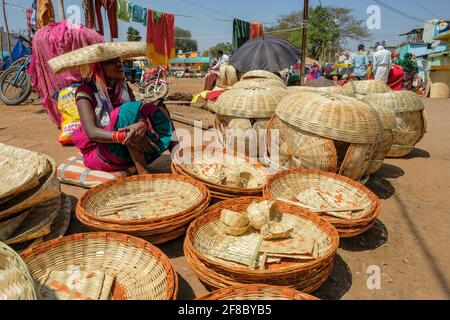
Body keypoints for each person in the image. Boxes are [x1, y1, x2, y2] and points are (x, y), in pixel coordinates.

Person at [73, 58, 177, 175]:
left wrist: (143, 124)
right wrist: (127, 135)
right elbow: (92, 133)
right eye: (110, 62)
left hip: (128, 150)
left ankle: (178, 161)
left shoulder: (123, 87)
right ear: (98, 67)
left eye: (119, 62)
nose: (119, 65)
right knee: (126, 111)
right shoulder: (85, 91)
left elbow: (137, 114)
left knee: (159, 108)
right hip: (102, 152)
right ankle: (143, 172)